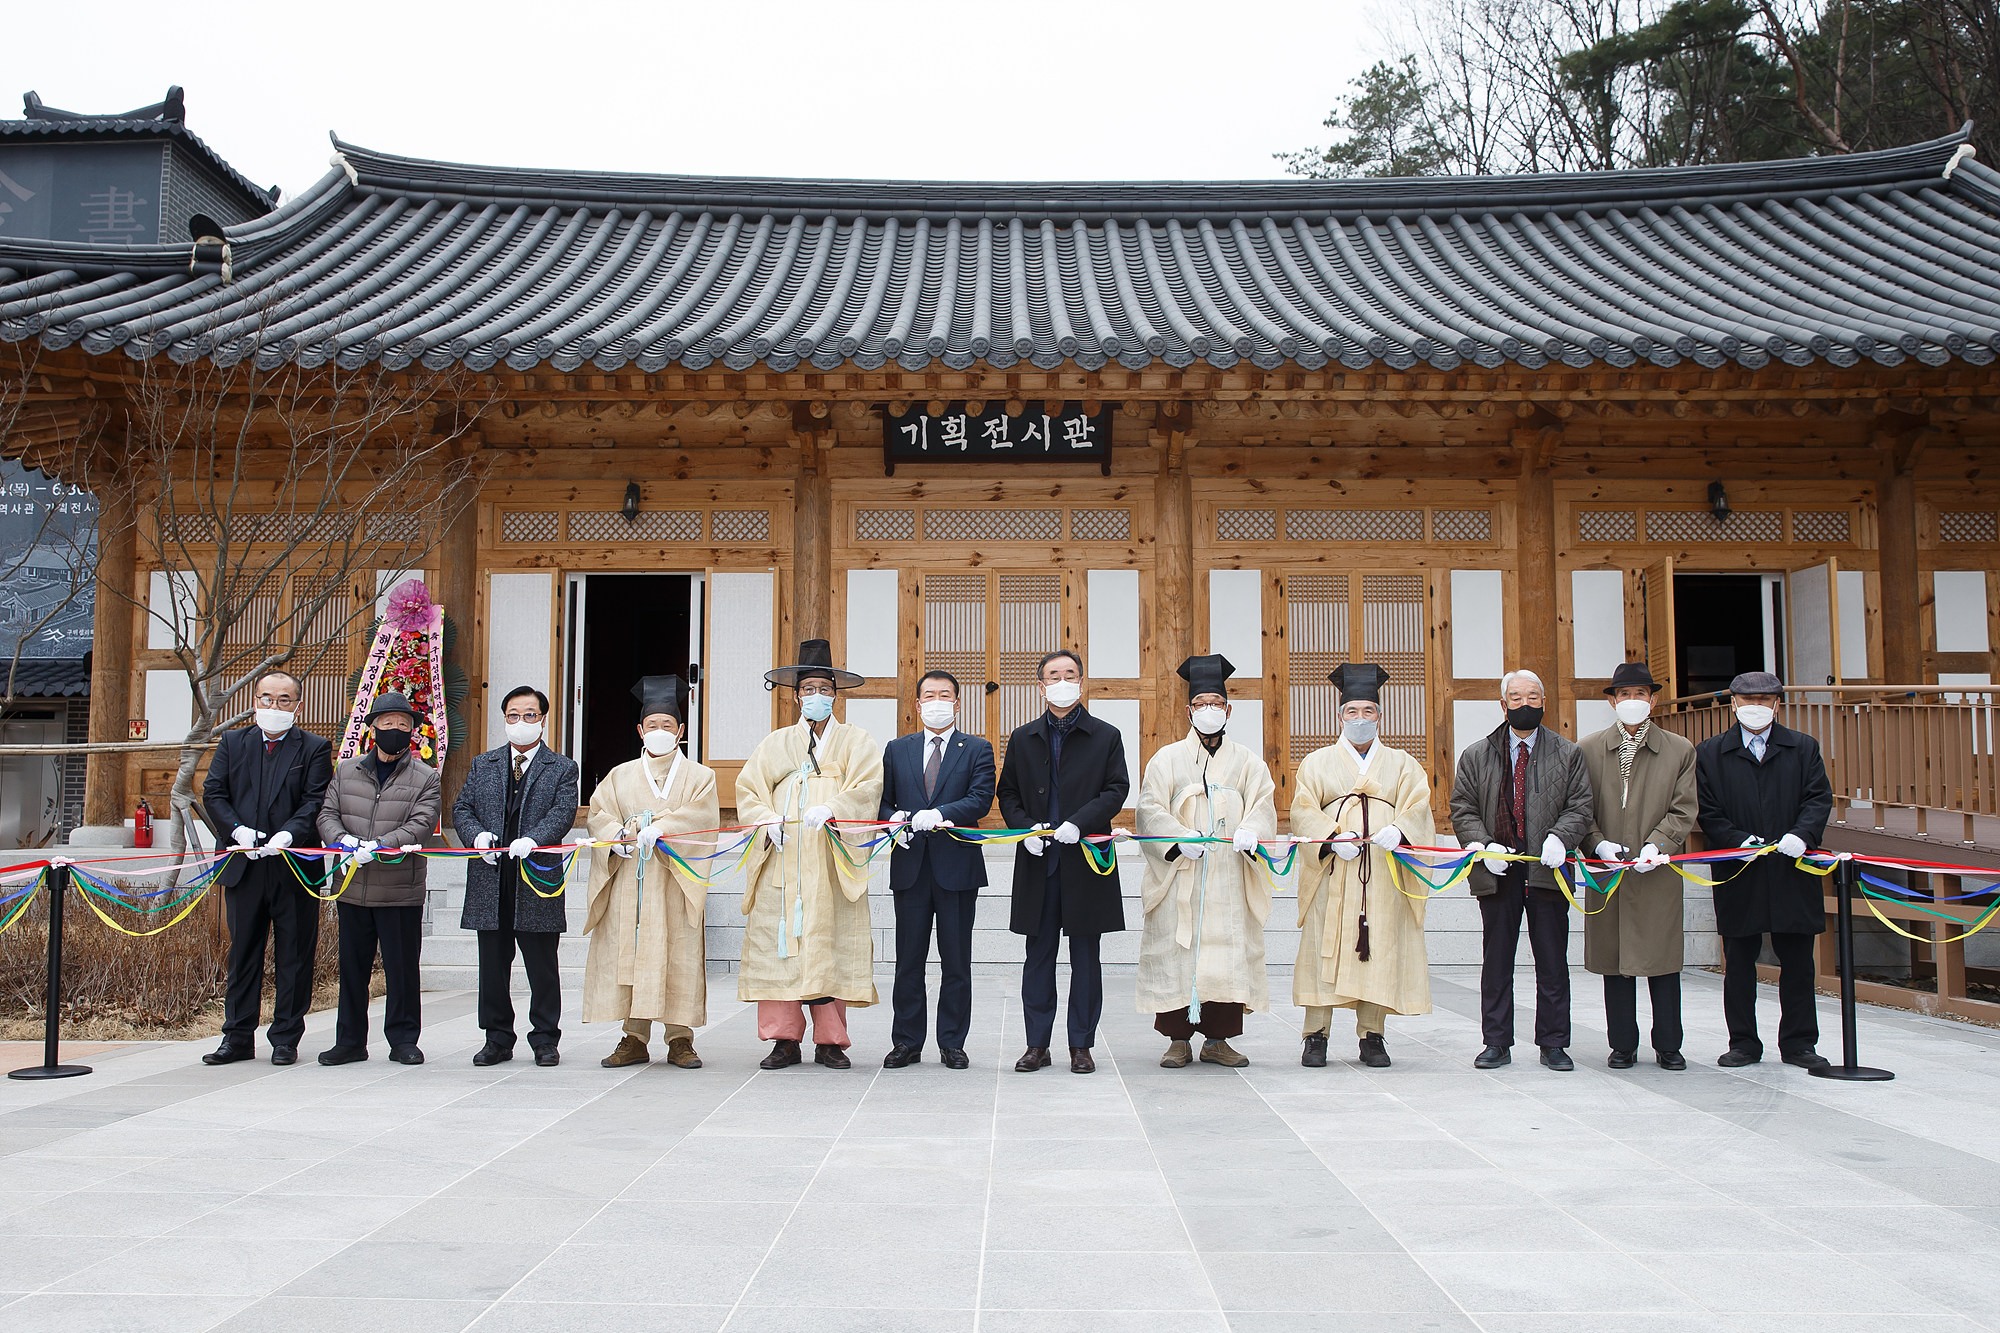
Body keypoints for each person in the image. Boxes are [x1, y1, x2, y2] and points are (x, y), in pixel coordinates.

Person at [736, 640, 885, 1069]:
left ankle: (830, 1040)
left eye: (823, 688)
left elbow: (867, 788)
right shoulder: (776, 742)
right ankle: (783, 1040)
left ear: (834, 694)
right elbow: (749, 790)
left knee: (828, 943)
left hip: (829, 859)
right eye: (808, 689)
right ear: (796, 695)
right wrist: (766, 820)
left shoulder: (857, 741)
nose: (815, 696)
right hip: (782, 858)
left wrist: (834, 808)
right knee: (778, 943)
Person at [1136, 654, 1279, 1069]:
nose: (1209, 711)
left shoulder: (1248, 761)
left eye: (1217, 702)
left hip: (1229, 875)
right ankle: (1177, 1040)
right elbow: (1149, 809)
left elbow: (1263, 805)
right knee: (1177, 954)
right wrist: (1179, 840)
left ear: (1229, 710)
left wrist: (1252, 830)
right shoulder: (1166, 758)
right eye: (1201, 704)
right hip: (1182, 873)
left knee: (1226, 954)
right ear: (1188, 711)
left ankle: (1218, 1039)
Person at [1450, 668, 1596, 1072]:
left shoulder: (1568, 753)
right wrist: (1483, 844)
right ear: (1503, 704)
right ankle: (1496, 1040)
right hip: (1498, 870)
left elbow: (1581, 806)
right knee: (1497, 958)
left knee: (1552, 959)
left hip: (1547, 867)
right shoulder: (1477, 754)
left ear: (1544, 702)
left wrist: (1560, 838)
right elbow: (1461, 808)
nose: (1525, 704)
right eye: (1516, 697)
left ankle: (1554, 1042)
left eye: (1533, 696)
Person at [1289, 664, 1434, 1068]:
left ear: (1379, 716)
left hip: (1383, 874)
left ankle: (1373, 1035)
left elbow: (1419, 807)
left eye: (1368, 711)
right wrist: (1333, 836)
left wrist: (1401, 830)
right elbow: (1302, 811)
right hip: (1334, 871)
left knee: (1378, 947)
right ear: (1339, 716)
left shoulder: (1404, 764)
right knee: (1325, 945)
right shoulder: (1317, 763)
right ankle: (1315, 1036)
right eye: (1351, 712)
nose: (1359, 720)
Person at [997, 649, 1131, 1074]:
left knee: (1086, 957)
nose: (1062, 680)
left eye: (1069, 674)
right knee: (1037, 956)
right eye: (1053, 675)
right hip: (1039, 860)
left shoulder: (1105, 735)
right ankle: (1036, 1044)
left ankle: (1081, 1044)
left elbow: (1116, 789)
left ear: (1081, 682)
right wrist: (1025, 830)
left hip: (1086, 859)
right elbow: (1008, 794)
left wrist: (1079, 822)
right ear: (1041, 686)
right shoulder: (1023, 737)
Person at [1695, 671, 1834, 1070]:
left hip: (1793, 867)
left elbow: (1817, 798)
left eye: (1765, 700)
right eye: (1747, 700)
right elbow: (1706, 809)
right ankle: (1743, 1042)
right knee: (1739, 961)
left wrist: (1802, 835)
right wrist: (1734, 840)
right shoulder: (1711, 752)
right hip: (1740, 870)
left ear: (1777, 704)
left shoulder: (1802, 747)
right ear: (1733, 704)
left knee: (1798, 962)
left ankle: (1799, 1043)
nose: (1756, 707)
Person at [582, 675, 719, 1070]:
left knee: (678, 953)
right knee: (634, 954)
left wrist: (664, 828)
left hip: (675, 879)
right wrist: (622, 836)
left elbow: (702, 818)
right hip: (632, 880)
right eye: (653, 726)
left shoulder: (700, 776)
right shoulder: (619, 775)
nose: (660, 732)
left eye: (668, 726)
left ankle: (680, 1039)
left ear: (681, 731)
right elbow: (598, 816)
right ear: (641, 730)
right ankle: (634, 1036)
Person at [199, 670, 334, 1066]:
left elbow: (315, 801)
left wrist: (288, 835)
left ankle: (286, 1038)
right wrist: (237, 831)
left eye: (284, 700)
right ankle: (237, 1036)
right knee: (243, 953)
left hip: (293, 865)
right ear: (255, 700)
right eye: (266, 698)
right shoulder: (232, 741)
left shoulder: (313, 747)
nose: (273, 706)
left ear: (298, 706)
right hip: (244, 864)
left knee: (294, 954)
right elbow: (214, 792)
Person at [452, 685, 581, 1068]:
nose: (520, 722)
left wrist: (534, 838)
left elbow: (563, 812)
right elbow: (462, 807)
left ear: (542, 719)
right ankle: (496, 1037)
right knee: (492, 962)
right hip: (490, 873)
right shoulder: (484, 764)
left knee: (541, 962)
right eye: (512, 715)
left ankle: (545, 1038)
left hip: (535, 872)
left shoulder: (562, 767)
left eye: (528, 715)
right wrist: (475, 835)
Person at [1579, 662, 1698, 1070]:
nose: (1632, 702)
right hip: (1608, 870)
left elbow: (1684, 809)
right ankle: (1622, 1044)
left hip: (1658, 871)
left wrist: (1657, 845)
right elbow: (1580, 808)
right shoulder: (1589, 748)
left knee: (1662, 960)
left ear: (1653, 699)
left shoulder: (1680, 749)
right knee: (1615, 961)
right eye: (1624, 695)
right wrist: (1598, 844)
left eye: (1640, 695)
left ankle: (1669, 1044)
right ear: (1612, 700)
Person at [315, 692, 442, 1066]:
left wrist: (380, 845)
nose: (395, 731)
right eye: (387, 724)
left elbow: (421, 824)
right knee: (352, 968)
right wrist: (344, 841)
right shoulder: (346, 770)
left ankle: (403, 1040)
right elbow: (327, 813)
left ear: (413, 733)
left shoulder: (426, 776)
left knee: (402, 969)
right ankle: (349, 1041)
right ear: (373, 728)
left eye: (404, 726)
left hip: (400, 887)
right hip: (352, 886)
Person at [879, 669, 996, 1070]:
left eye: (945, 694)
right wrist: (894, 820)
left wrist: (941, 813)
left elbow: (980, 799)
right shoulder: (897, 749)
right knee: (908, 960)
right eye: (929, 695)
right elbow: (883, 802)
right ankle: (907, 1042)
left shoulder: (977, 748)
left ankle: (952, 1042)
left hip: (957, 867)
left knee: (956, 960)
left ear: (957, 703)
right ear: (917, 704)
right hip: (910, 866)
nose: (937, 701)